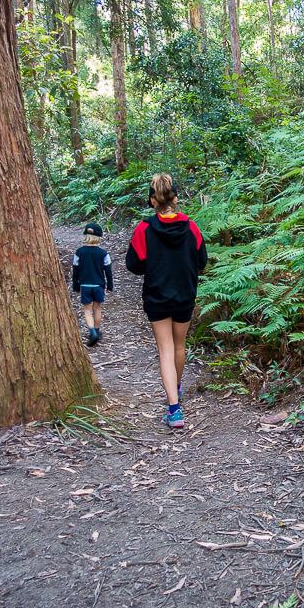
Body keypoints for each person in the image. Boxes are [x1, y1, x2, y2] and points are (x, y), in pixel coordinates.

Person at [125, 173, 207, 429]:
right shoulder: (191, 227)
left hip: (157, 296)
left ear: (152, 201)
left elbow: (134, 265)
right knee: (179, 345)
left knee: (166, 350)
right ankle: (177, 389)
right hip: (185, 295)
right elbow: (202, 262)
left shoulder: (144, 229)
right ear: (176, 198)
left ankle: (174, 409)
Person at [72, 223, 113, 346]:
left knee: (87, 310)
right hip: (98, 285)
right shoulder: (104, 253)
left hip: (85, 285)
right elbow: (108, 271)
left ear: (85, 236)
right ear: (99, 237)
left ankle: (91, 332)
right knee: (97, 308)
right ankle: (97, 330)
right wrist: (110, 285)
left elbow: (75, 270)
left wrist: (76, 285)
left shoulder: (79, 252)